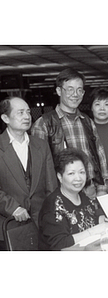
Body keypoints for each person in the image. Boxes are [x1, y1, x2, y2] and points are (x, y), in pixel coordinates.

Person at [31, 68, 108, 198]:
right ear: (58, 91)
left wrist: (101, 187)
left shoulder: (87, 121)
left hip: (90, 190)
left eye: (80, 90)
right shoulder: (44, 123)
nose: (75, 94)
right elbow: (38, 168)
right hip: (61, 193)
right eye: (70, 89)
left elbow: (99, 155)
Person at [0, 97, 57, 247]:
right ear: (5, 117)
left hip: (42, 224)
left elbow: (51, 184)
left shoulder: (41, 145)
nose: (27, 117)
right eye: (20, 113)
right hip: (8, 226)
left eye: (28, 112)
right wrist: (12, 208)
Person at [38, 148, 106, 250]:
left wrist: (103, 219)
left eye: (82, 172)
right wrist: (94, 231)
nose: (78, 178)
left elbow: (94, 215)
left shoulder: (82, 195)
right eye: (71, 173)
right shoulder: (53, 206)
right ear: (60, 177)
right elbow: (60, 243)